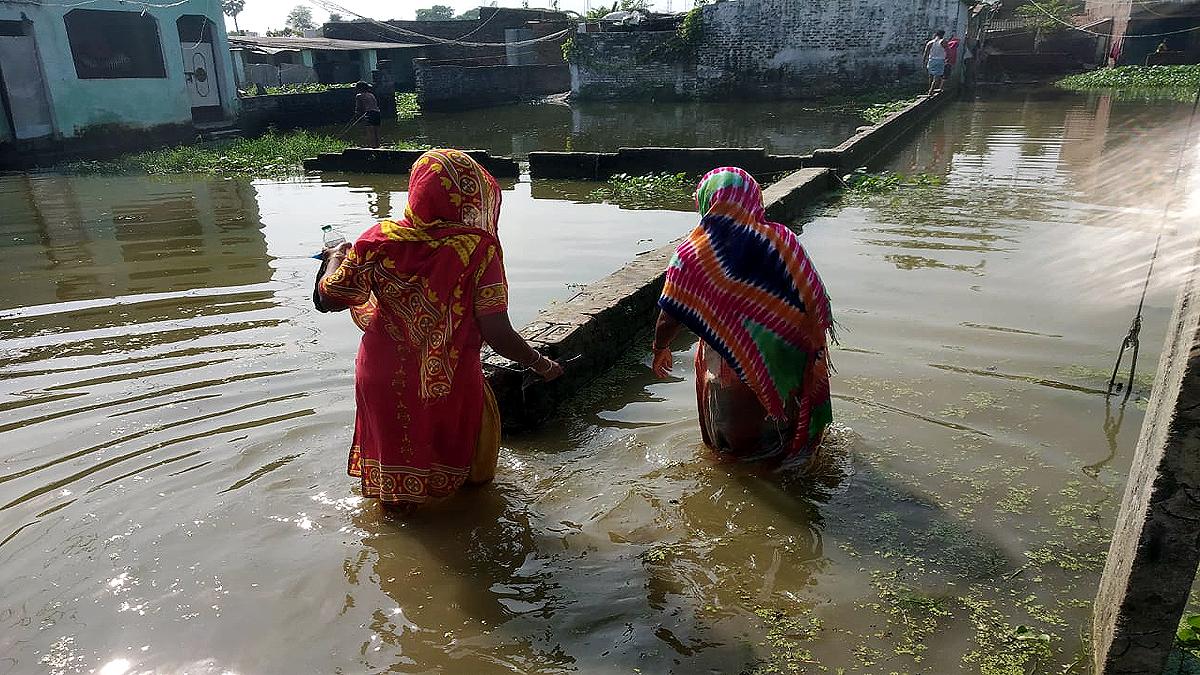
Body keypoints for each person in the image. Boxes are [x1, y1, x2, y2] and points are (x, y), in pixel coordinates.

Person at [317, 149, 564, 514]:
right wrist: (540, 363)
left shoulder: (377, 240)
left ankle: (398, 549)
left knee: (396, 493)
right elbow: (496, 330)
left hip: (383, 375)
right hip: (446, 378)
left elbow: (333, 296)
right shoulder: (478, 248)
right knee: (469, 484)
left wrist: (335, 256)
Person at [651, 167, 835, 465]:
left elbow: (671, 312)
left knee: (734, 450)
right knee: (781, 441)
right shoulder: (782, 241)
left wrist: (660, 348)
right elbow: (813, 300)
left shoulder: (692, 252)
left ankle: (742, 484)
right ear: (754, 200)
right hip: (785, 361)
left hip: (728, 362)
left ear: (708, 201)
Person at [354, 81, 381, 148]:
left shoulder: (359, 96)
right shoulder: (371, 94)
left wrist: (357, 114)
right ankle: (378, 146)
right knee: (376, 132)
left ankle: (372, 147)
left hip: (370, 113)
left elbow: (358, 108)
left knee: (370, 131)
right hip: (377, 113)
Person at [924, 29, 948, 94]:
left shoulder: (930, 43)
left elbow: (926, 53)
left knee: (931, 76)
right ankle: (930, 92)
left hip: (931, 60)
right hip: (940, 60)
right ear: (942, 35)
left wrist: (924, 61)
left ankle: (929, 89)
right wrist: (947, 59)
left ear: (935, 34)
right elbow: (948, 51)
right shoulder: (943, 42)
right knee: (936, 78)